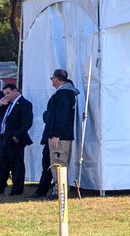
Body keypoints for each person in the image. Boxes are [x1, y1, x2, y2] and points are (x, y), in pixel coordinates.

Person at [33, 70, 77, 199]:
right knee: (56, 162)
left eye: (52, 78)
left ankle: (60, 191)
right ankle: (58, 189)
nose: (51, 80)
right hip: (58, 135)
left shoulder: (64, 94)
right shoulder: (63, 93)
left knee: (59, 162)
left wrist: (57, 134)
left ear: (57, 79)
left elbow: (62, 116)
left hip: (60, 136)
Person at [0, 81, 31, 196]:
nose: (6, 96)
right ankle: (1, 188)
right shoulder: (6, 104)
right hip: (3, 138)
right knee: (2, 164)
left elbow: (27, 123)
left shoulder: (24, 104)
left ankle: (17, 190)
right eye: (4, 94)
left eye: (8, 93)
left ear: (15, 91)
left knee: (16, 166)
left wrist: (16, 136)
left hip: (14, 139)